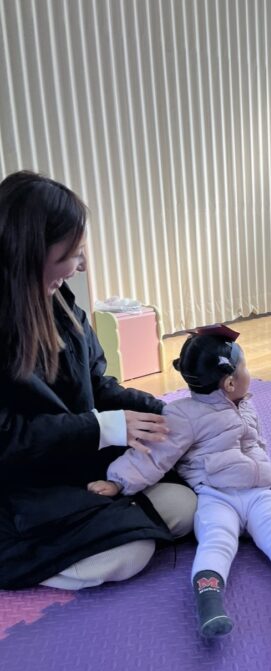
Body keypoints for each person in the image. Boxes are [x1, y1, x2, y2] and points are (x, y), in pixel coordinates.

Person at [0, 171, 196, 591]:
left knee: (186, 503)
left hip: (71, 463)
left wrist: (168, 412)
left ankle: (116, 521)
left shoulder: (60, 304)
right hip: (19, 488)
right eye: (72, 254)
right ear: (30, 254)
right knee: (132, 552)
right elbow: (9, 440)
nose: (82, 266)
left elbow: (98, 384)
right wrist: (102, 427)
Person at [89, 327, 271, 639]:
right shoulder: (184, 415)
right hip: (215, 496)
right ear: (230, 382)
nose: (249, 373)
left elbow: (258, 446)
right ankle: (210, 601)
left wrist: (267, 479)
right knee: (216, 541)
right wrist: (117, 482)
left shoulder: (246, 405)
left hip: (259, 493)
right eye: (245, 367)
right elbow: (154, 456)